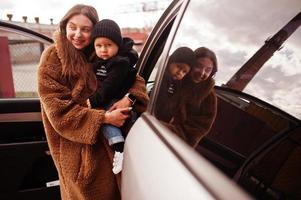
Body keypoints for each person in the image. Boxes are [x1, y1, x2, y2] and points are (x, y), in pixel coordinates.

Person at [37, 4, 149, 200]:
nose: (78, 34)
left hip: (114, 151)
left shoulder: (101, 48)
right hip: (79, 156)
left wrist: (129, 98)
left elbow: (134, 79)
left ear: (94, 31)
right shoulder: (53, 58)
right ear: (65, 27)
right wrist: (104, 118)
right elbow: (59, 113)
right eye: (73, 27)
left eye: (85, 29)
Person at [89, 19, 138, 174]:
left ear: (117, 45)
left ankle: (119, 148)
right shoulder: (100, 61)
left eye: (108, 45)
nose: (103, 49)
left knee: (106, 116)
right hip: (110, 98)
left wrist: (91, 101)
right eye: (99, 45)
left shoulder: (119, 63)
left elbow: (109, 87)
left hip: (115, 99)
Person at [170, 46, 218, 148]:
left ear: (212, 73)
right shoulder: (176, 78)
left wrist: (165, 128)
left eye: (208, 70)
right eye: (198, 66)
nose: (202, 72)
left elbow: (195, 131)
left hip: (176, 147)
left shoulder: (209, 97)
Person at [155, 47, 196, 122]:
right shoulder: (162, 77)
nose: (180, 73)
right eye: (178, 67)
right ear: (170, 61)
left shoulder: (177, 85)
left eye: (184, 72)